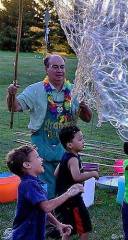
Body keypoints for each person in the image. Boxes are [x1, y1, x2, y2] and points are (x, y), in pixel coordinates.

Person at [6, 54, 92, 198]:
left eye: (62, 67)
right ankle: (48, 216)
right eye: (55, 67)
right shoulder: (35, 90)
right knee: (45, 187)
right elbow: (14, 107)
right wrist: (11, 94)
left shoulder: (74, 90)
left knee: (68, 186)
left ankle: (65, 214)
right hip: (42, 144)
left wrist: (84, 106)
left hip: (66, 147)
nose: (59, 70)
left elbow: (87, 118)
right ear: (47, 69)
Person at [6, 145, 84, 240]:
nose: (41, 159)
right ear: (27, 165)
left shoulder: (33, 182)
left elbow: (42, 209)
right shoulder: (29, 184)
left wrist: (58, 224)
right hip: (25, 236)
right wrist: (69, 193)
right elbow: (46, 207)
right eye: (38, 157)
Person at [55, 126, 98, 240]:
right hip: (72, 201)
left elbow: (56, 173)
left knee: (67, 229)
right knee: (84, 229)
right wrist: (93, 173)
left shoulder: (65, 155)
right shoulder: (73, 159)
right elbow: (77, 177)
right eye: (80, 139)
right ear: (70, 145)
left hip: (62, 198)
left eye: (82, 138)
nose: (83, 141)